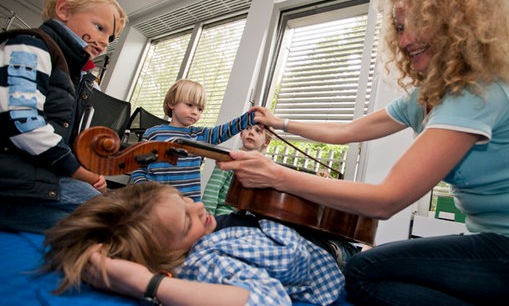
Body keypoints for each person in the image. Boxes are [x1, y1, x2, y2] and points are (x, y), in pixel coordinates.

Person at [217, 0, 509, 304]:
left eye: (418, 23)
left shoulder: (478, 91)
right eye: (400, 27)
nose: (404, 40)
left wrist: (277, 177)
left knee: (365, 272)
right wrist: (281, 123)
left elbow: (387, 200)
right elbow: (348, 131)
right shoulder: (425, 98)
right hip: (501, 240)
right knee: (369, 270)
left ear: (457, 25)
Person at [42, 182, 345, 306]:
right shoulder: (205, 262)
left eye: (185, 200)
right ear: (169, 254)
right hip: (333, 261)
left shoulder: (206, 236)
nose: (199, 208)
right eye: (188, 224)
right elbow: (268, 301)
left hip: (315, 245)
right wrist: (149, 284)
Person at [0, 0, 127, 233]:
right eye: (99, 28)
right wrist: (77, 172)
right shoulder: (31, 45)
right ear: (64, 10)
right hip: (11, 177)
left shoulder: (76, 74)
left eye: (110, 38)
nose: (103, 42)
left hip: (38, 173)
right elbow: (22, 120)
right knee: (113, 222)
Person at [129, 79, 256, 202]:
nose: (195, 112)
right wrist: (143, 188)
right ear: (172, 103)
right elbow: (137, 166)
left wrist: (251, 117)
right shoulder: (152, 134)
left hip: (188, 204)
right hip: (155, 201)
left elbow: (225, 130)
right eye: (189, 105)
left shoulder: (199, 135)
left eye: (200, 109)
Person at [202, 124, 272, 216]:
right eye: (247, 128)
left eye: (258, 131)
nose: (251, 132)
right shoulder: (229, 159)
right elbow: (212, 190)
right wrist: (207, 217)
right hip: (224, 215)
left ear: (266, 142)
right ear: (241, 134)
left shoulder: (264, 168)